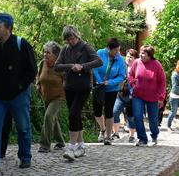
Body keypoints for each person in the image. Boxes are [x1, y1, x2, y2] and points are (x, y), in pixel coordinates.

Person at [0, 13, 37, 174]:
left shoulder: (21, 44)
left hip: (19, 95)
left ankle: (25, 157)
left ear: (8, 28)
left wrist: (18, 87)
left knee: (23, 127)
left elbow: (32, 71)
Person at [54, 25, 103, 161]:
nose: (71, 41)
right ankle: (81, 146)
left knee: (73, 114)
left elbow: (99, 61)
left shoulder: (85, 47)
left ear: (76, 35)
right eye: (68, 39)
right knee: (75, 116)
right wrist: (71, 66)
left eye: (72, 38)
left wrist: (83, 66)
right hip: (69, 87)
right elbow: (57, 67)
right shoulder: (65, 50)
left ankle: (71, 146)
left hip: (83, 87)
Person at [129, 45, 166, 146]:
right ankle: (142, 139)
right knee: (137, 116)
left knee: (153, 119)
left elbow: (162, 82)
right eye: (140, 52)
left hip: (153, 97)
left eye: (143, 53)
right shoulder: (136, 62)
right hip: (138, 95)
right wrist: (133, 83)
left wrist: (161, 97)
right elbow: (131, 74)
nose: (141, 55)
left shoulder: (157, 65)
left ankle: (154, 136)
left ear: (150, 55)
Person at [93, 38, 126, 145]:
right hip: (99, 87)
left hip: (111, 88)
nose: (118, 53)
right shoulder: (100, 53)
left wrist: (109, 82)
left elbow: (122, 75)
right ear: (108, 49)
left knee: (109, 111)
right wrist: (100, 81)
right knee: (97, 111)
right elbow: (95, 69)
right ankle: (102, 129)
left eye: (119, 50)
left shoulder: (120, 59)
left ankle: (108, 136)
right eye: (115, 50)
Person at [36, 41, 65, 153]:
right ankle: (60, 141)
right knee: (53, 118)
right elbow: (38, 76)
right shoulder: (42, 63)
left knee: (48, 116)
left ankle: (44, 144)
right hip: (46, 96)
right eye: (44, 52)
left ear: (56, 55)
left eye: (48, 53)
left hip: (58, 96)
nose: (45, 54)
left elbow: (66, 80)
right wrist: (38, 84)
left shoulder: (60, 66)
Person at [112, 49, 138, 143]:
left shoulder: (137, 69)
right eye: (127, 56)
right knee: (114, 112)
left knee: (130, 117)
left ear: (135, 59)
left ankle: (131, 136)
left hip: (132, 97)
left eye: (131, 57)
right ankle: (116, 133)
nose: (129, 58)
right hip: (121, 95)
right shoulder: (122, 67)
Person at [167, 60, 179, 131]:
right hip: (174, 97)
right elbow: (175, 88)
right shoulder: (175, 74)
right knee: (173, 112)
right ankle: (168, 126)